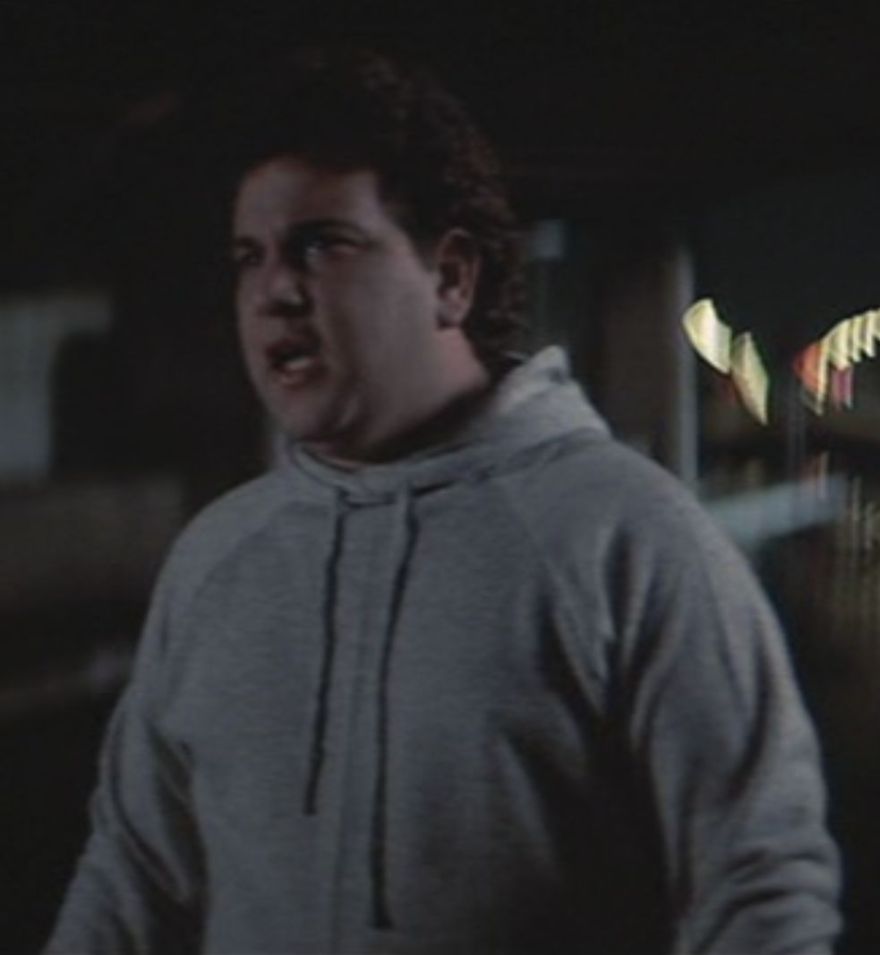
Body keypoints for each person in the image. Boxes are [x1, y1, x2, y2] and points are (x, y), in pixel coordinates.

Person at [46, 47, 840, 954]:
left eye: (322, 245)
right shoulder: (217, 556)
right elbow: (134, 873)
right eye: (249, 257)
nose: (274, 291)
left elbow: (759, 889)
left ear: (452, 277)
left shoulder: (630, 538)